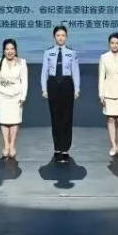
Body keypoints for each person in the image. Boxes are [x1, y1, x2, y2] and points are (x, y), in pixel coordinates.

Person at [41, 25, 80, 162]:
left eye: (63, 35)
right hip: (53, 84)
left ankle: (65, 149)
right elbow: (44, 72)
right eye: (58, 35)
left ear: (66, 37)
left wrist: (77, 89)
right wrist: (44, 89)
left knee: (67, 117)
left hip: (67, 84)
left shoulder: (71, 52)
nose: (60, 38)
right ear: (54, 37)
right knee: (55, 117)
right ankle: (57, 148)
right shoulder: (48, 52)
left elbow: (75, 72)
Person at [0, 38, 28, 159]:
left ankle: (12, 145)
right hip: (2, 96)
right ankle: (6, 145)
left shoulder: (22, 62)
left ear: (16, 50)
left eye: (12, 49)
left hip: (16, 97)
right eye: (7, 49)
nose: (10, 51)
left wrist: (23, 96)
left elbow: (24, 81)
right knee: (4, 121)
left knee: (14, 121)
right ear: (4, 51)